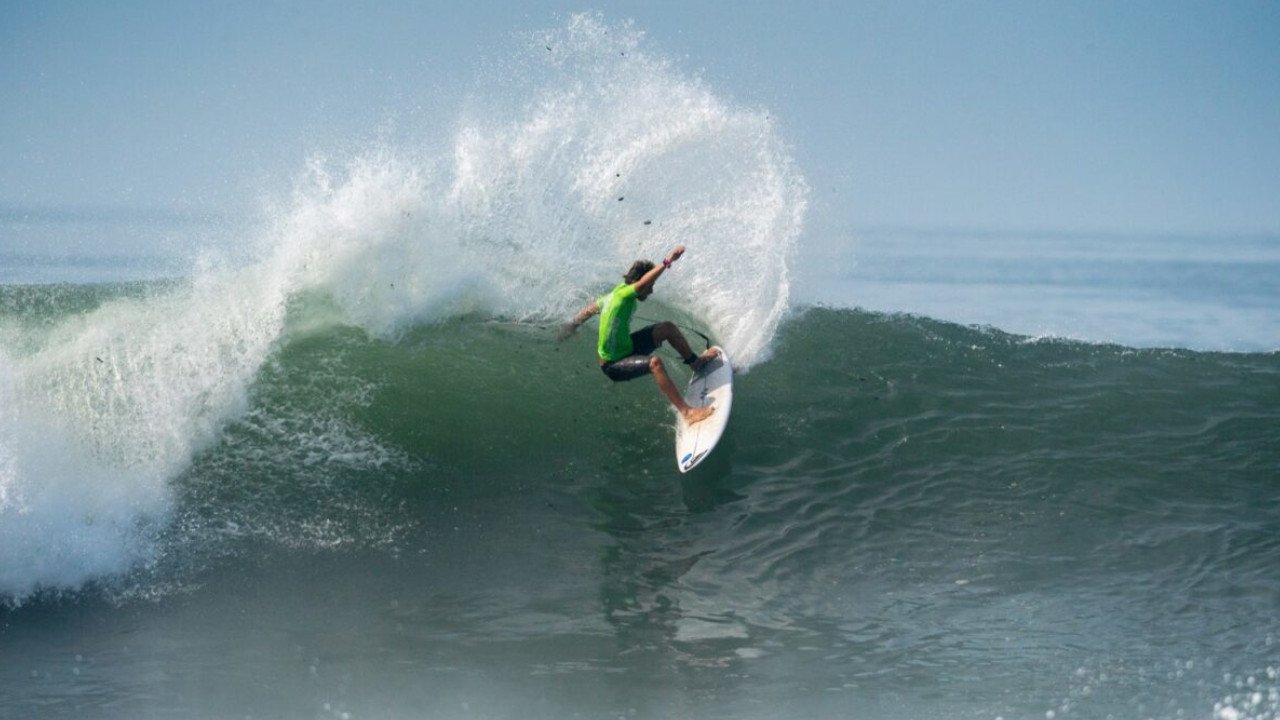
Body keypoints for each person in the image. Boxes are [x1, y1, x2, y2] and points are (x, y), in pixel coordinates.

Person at [559, 244, 720, 425]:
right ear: (640, 282)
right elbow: (642, 284)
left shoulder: (613, 295)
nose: (651, 290)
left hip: (627, 347)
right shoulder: (624, 295)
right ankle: (687, 413)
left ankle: (696, 363)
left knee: (667, 328)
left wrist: (569, 328)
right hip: (613, 364)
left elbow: (587, 311)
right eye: (650, 285)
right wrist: (669, 260)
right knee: (655, 363)